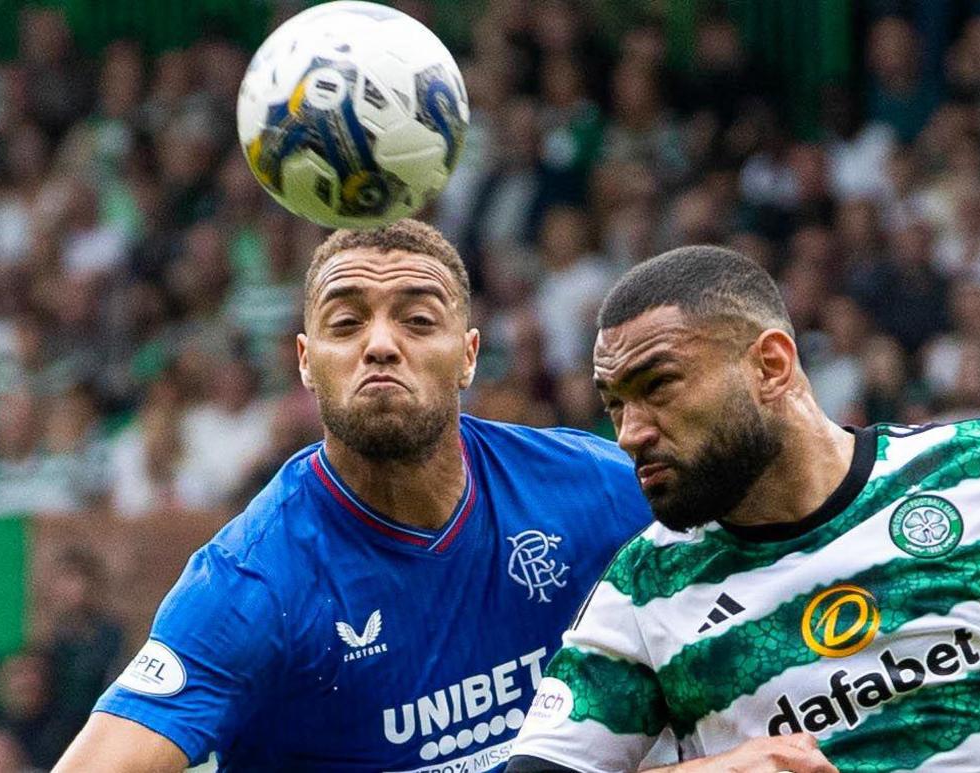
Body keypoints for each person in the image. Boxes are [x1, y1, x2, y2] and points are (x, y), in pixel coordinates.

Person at [508, 245, 980, 772]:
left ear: (771, 364)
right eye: (615, 404)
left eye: (659, 387)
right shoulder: (645, 591)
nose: (631, 432)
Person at [52, 220, 652, 771]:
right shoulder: (252, 582)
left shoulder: (594, 488)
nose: (382, 345)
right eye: (346, 323)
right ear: (307, 362)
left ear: (469, 356)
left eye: (418, 320)